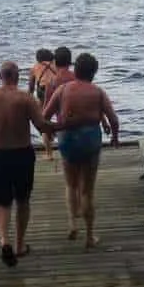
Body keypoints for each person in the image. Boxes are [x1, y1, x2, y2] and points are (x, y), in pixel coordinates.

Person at [0, 61, 58, 266]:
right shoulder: (26, 98)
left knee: (2, 203)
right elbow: (41, 125)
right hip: (22, 154)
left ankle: (4, 241)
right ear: (17, 76)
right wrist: (63, 125)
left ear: (0, 76)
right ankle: (20, 245)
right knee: (22, 201)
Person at [43, 51, 118, 249]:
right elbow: (113, 119)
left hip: (68, 139)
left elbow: (44, 117)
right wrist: (115, 138)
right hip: (90, 141)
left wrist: (54, 130)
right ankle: (90, 236)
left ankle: (72, 224)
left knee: (71, 185)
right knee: (87, 190)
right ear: (93, 73)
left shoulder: (63, 90)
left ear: (75, 70)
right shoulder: (98, 92)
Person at [27, 48, 58, 160]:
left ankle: (49, 154)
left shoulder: (35, 67)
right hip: (57, 90)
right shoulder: (56, 65)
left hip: (43, 91)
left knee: (43, 120)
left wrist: (29, 99)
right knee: (60, 117)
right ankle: (54, 133)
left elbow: (31, 88)